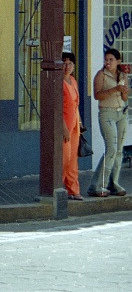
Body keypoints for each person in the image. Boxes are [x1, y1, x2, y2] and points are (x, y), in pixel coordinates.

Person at [87, 48, 129, 197]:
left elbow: (124, 98)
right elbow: (98, 95)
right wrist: (114, 89)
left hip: (121, 113)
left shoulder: (122, 75)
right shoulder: (101, 75)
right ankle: (98, 185)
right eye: (106, 59)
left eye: (111, 60)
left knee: (118, 150)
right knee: (111, 148)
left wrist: (124, 91)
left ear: (118, 61)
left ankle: (113, 183)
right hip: (107, 113)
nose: (108, 62)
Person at [61, 52, 83, 200]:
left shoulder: (73, 81)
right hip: (65, 125)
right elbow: (57, 107)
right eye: (64, 63)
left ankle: (73, 190)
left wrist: (80, 123)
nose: (67, 66)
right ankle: (57, 187)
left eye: (70, 63)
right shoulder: (58, 82)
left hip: (75, 124)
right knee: (64, 158)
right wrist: (63, 128)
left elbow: (75, 105)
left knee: (73, 159)